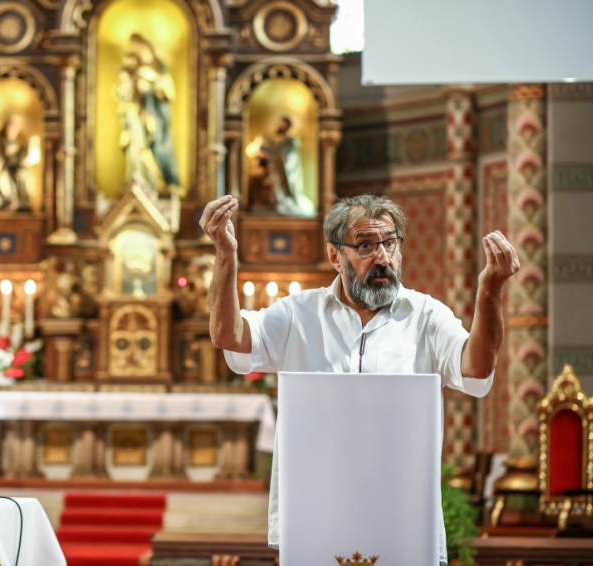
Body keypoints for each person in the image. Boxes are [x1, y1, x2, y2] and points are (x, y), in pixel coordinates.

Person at [199, 193, 520, 566]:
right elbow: (228, 335)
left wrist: (490, 289)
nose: (382, 256)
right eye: (365, 245)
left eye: (390, 243)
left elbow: (477, 366)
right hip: (315, 518)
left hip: (403, 521)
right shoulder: (298, 315)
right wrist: (226, 255)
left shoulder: (427, 317)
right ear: (335, 256)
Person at [126, 33, 180, 195]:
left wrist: (152, 82)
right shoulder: (135, 71)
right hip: (141, 115)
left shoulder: (160, 69)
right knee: (140, 148)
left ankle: (164, 182)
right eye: (137, 51)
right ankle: (141, 181)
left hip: (158, 116)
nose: (140, 53)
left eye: (142, 49)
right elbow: (129, 95)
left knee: (159, 146)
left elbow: (169, 92)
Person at [0, 115, 33, 212]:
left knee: (23, 175)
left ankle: (21, 202)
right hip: (6, 169)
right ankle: (9, 201)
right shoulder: (1, 142)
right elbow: (3, 158)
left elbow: (22, 157)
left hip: (17, 169)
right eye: (10, 128)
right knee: (7, 178)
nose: (12, 131)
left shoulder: (19, 143)